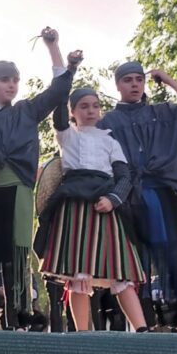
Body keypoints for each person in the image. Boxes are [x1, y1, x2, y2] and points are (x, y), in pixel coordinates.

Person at [0, 27, 74, 330]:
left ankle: (18, 315)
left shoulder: (27, 110)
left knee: (16, 253)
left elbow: (58, 91)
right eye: (6, 79)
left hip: (17, 187)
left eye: (15, 79)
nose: (13, 85)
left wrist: (53, 48)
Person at [97, 61, 177, 331]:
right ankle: (141, 322)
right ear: (117, 85)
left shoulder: (165, 113)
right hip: (126, 195)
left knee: (173, 252)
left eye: (139, 79)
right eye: (128, 80)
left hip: (163, 191)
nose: (135, 84)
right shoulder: (108, 122)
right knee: (132, 257)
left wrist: (169, 80)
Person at [36, 74, 149, 332]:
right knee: (79, 275)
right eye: (83, 106)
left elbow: (125, 176)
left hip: (105, 207)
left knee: (121, 272)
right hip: (74, 208)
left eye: (95, 106)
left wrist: (113, 199)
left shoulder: (110, 140)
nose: (90, 110)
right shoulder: (66, 136)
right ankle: (83, 334)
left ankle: (143, 330)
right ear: (72, 111)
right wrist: (70, 67)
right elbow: (58, 116)